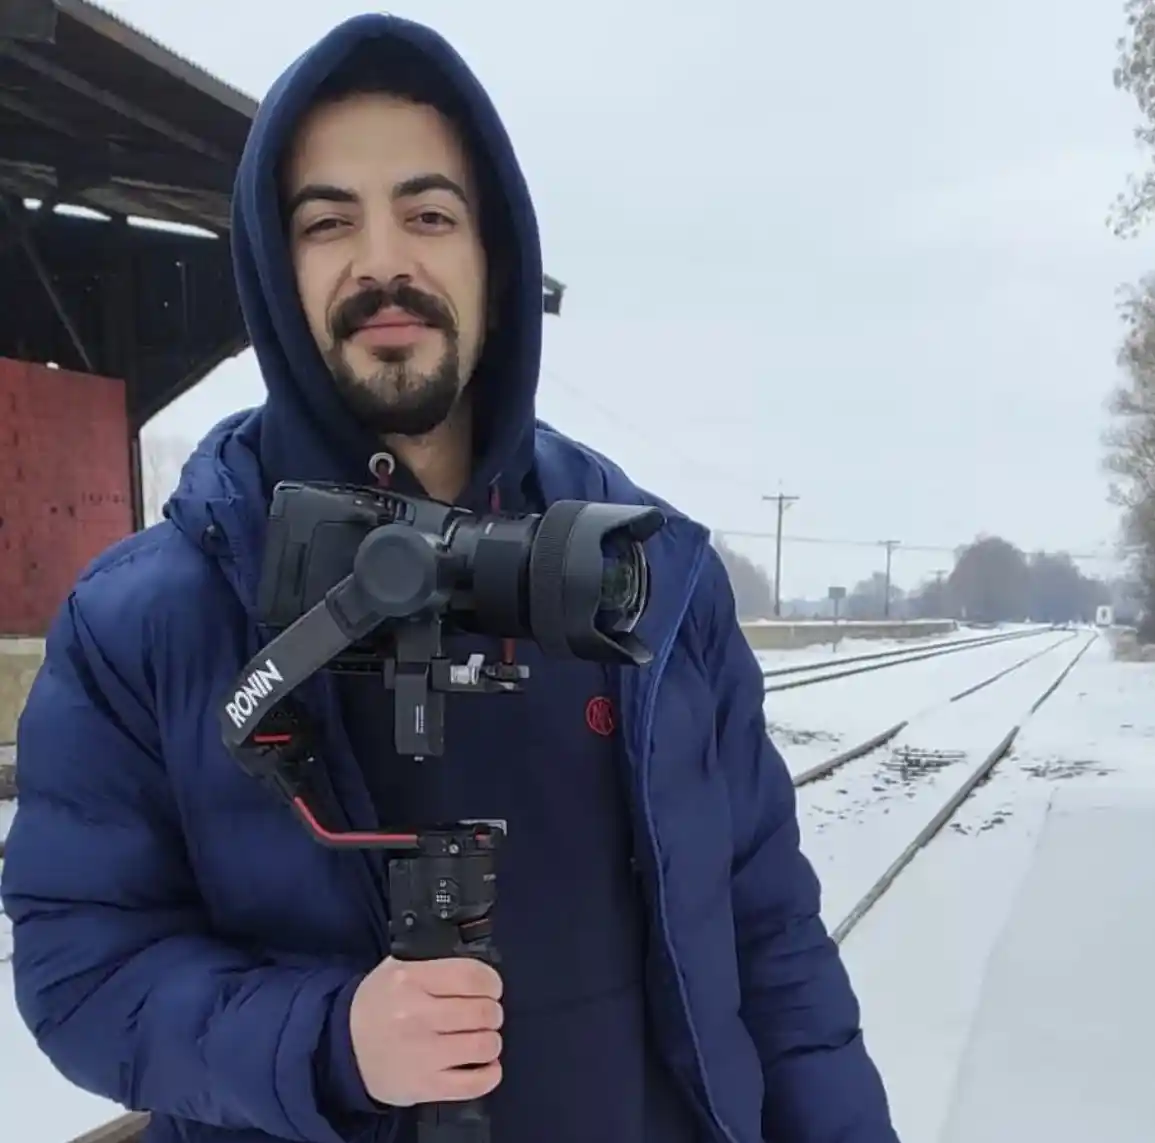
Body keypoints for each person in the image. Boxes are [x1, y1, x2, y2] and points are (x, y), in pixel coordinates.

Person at [1, 13, 899, 1143]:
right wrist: (331, 1041)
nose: (384, 260)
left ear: (497, 256)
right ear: (276, 273)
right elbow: (84, 971)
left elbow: (773, 950)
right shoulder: (149, 619)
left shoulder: (651, 578)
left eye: (429, 213)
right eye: (329, 224)